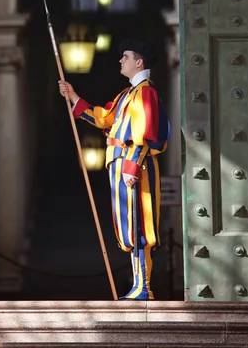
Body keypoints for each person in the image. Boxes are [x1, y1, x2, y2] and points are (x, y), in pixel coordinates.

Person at [58, 38, 170, 300]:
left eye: (126, 56)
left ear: (139, 61)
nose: (121, 60)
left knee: (140, 225)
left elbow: (146, 133)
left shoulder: (145, 92)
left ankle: (144, 287)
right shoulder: (127, 94)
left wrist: (131, 167)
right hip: (121, 166)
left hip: (135, 167)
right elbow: (103, 118)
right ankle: (137, 285)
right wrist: (73, 96)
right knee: (128, 228)